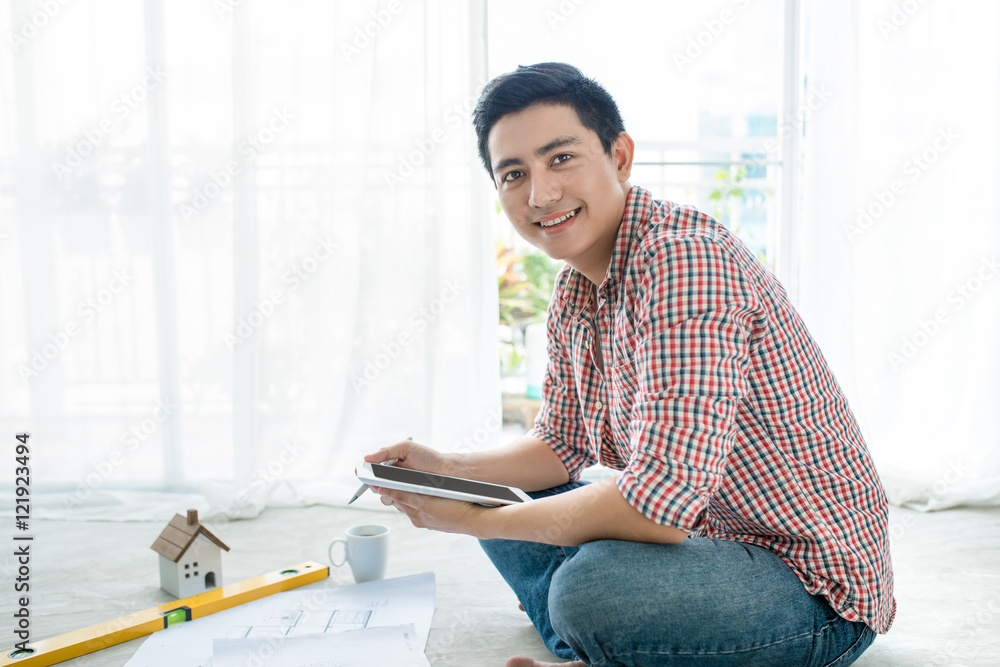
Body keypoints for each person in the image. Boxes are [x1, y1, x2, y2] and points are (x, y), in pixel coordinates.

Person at [365, 62, 895, 667]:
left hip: (808, 591)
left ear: (619, 156)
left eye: (560, 158)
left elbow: (658, 508)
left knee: (589, 585)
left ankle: (600, 632)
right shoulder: (575, 290)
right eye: (515, 174)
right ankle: (613, 644)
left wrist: (472, 524)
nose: (540, 194)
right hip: (706, 538)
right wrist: (449, 469)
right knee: (501, 499)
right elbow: (561, 447)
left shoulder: (684, 263)